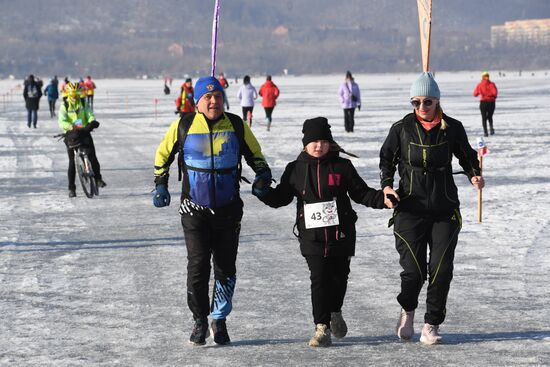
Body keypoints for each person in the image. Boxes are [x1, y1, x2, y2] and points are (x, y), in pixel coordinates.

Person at [152, 76, 271, 346]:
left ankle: (219, 319)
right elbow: (162, 155)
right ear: (197, 102)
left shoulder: (236, 125)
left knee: (225, 267)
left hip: (228, 209)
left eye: (217, 96)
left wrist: (263, 176)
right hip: (194, 208)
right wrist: (160, 184)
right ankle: (199, 321)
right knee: (198, 266)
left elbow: (256, 156)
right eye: (207, 97)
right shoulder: (183, 125)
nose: (214, 101)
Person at [253, 117, 387, 347]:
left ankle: (335, 310)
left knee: (339, 277)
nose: (319, 146)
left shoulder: (342, 166)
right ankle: (321, 327)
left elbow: (361, 193)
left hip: (341, 234)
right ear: (305, 143)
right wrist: (264, 193)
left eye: (324, 141)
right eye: (314, 141)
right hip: (311, 237)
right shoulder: (295, 169)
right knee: (319, 279)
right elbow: (282, 197)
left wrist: (384, 199)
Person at [379, 72, 485, 345]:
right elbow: (387, 160)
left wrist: (474, 173)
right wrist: (387, 185)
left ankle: (431, 324)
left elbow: (467, 155)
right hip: (410, 208)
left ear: (437, 101)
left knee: (441, 269)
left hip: (444, 209)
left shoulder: (452, 127)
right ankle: (408, 310)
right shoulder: (401, 128)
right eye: (416, 102)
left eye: (427, 101)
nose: (421, 108)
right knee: (414, 272)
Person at [58, 82, 106, 198]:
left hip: (84, 132)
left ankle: (98, 179)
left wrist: (92, 122)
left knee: (92, 157)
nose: (75, 96)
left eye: (77, 94)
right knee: (72, 163)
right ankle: (71, 188)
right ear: (68, 94)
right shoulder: (64, 105)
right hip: (71, 134)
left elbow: (90, 115)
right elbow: (61, 121)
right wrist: (70, 126)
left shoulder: (83, 103)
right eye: (73, 94)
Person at [473, 71, 498, 137]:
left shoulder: (480, 84)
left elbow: (475, 94)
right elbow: (495, 93)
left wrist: (482, 93)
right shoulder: (492, 84)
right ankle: (491, 128)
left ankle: (485, 132)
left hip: (483, 103)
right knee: (489, 116)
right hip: (491, 102)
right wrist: (490, 95)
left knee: (484, 118)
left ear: (482, 77)